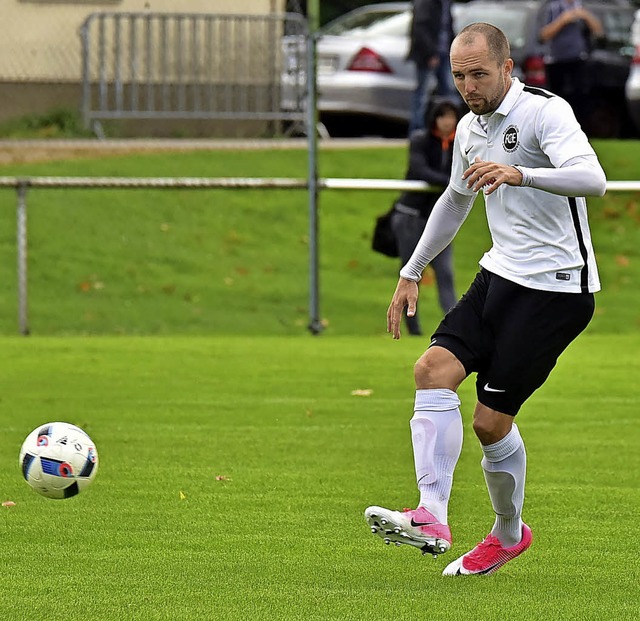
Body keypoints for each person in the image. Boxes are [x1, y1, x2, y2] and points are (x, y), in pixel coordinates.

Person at [364, 22, 606, 576]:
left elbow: (593, 180)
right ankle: (431, 514)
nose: (468, 86)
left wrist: (521, 174)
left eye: (478, 73)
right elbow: (454, 199)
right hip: (499, 275)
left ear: (506, 68)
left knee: (490, 425)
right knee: (431, 370)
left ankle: (507, 533)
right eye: (458, 75)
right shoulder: (470, 129)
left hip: (556, 291)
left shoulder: (546, 112)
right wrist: (412, 270)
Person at [391, 101, 461, 336]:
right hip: (413, 217)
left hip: (441, 220)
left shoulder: (460, 143)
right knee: (410, 272)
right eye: (442, 116)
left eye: (451, 116)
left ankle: (455, 328)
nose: (447, 121)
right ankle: (412, 330)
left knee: (445, 273)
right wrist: (451, 183)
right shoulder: (421, 140)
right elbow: (420, 170)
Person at [538, 0, 602, 130]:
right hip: (556, 61)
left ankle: (580, 131)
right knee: (556, 99)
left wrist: (586, 16)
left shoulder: (583, 6)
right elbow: (543, 36)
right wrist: (563, 20)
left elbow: (599, 32)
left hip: (579, 60)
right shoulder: (553, 8)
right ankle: (556, 130)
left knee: (580, 99)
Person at [407, 0, 457, 135]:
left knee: (448, 93)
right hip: (428, 55)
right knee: (422, 94)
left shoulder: (446, 3)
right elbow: (420, 28)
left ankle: (448, 130)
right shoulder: (426, 3)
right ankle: (418, 131)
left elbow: (449, 28)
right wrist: (430, 53)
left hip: (445, 53)